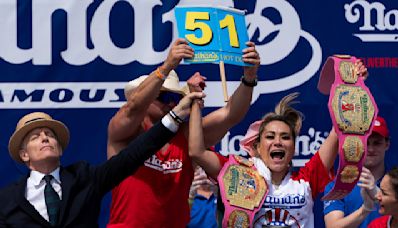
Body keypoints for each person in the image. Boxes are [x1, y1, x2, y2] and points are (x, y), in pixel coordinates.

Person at [107, 38, 260, 227]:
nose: (171, 103)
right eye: (164, 96)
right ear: (146, 97)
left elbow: (230, 115)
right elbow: (133, 107)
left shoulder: (185, 135)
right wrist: (168, 66)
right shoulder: (125, 133)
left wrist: (249, 78)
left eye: (175, 97)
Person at [0, 91, 203, 227]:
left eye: (49, 134)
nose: (45, 137)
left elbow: (134, 154)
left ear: (60, 149)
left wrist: (176, 115)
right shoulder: (6, 200)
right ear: (24, 154)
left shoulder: (84, 178)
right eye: (36, 137)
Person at [190, 91, 341, 227]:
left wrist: (350, 86)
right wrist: (195, 102)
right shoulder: (238, 174)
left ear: (294, 147)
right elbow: (197, 151)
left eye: (285, 137)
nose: (278, 142)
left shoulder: (306, 180)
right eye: (270, 137)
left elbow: (338, 130)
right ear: (258, 147)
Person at [324, 116, 391, 228]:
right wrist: (365, 209)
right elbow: (332, 226)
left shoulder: (396, 182)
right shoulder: (337, 187)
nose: (370, 149)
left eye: (377, 143)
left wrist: (379, 195)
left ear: (387, 144)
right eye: (365, 142)